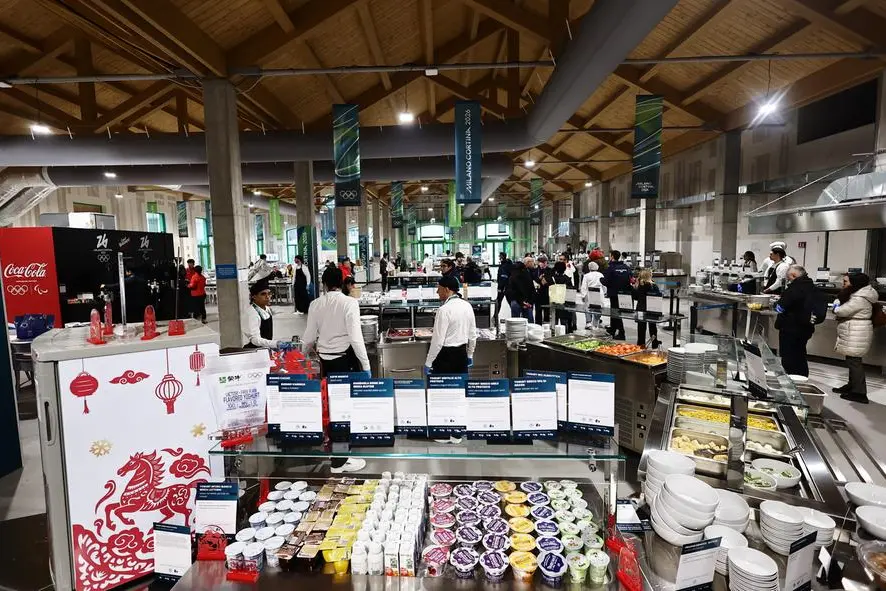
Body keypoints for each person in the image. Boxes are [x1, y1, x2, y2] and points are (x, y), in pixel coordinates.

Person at [302, 266, 370, 474]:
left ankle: (338, 454)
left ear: (323, 284)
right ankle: (340, 462)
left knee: (329, 408)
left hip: (325, 363)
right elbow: (356, 338)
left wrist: (303, 358)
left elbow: (309, 337)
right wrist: (366, 365)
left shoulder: (315, 304)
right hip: (344, 362)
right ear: (341, 283)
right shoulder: (350, 303)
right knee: (344, 409)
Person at [833, 273, 878, 403]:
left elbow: (841, 311)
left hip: (856, 331)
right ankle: (852, 386)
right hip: (855, 330)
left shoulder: (859, 298)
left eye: (846, 282)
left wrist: (836, 304)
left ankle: (859, 393)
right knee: (852, 359)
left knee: (854, 362)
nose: (844, 284)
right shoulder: (861, 294)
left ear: (855, 283)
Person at [424, 275, 477, 374]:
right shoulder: (467, 306)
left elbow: (438, 341)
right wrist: (470, 355)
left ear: (447, 289)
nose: (437, 292)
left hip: (445, 357)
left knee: (445, 384)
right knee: (460, 383)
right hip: (462, 355)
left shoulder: (443, 310)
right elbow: (472, 334)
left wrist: (428, 362)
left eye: (439, 289)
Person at [774, 265, 816, 377]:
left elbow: (781, 306)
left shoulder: (794, 289)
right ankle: (803, 377)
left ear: (793, 275)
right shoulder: (812, 287)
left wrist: (776, 305)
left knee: (789, 357)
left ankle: (791, 379)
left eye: (789, 278)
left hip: (790, 327)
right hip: (805, 327)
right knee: (800, 355)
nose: (788, 281)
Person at [601, 250, 632, 340]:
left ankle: (622, 333)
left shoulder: (611, 268)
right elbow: (630, 278)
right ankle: (613, 329)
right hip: (624, 293)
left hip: (614, 293)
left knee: (616, 313)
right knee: (616, 312)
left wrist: (601, 280)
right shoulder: (626, 267)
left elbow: (605, 281)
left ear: (612, 257)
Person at [243, 279, 282, 349]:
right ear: (254, 296)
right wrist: (275, 344)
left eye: (269, 293)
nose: (267, 297)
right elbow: (255, 340)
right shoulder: (252, 313)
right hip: (254, 350)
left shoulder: (267, 309)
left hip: (264, 348)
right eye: (263, 294)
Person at [633, 269, 662, 348]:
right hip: (651, 308)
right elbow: (658, 296)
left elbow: (635, 297)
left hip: (641, 308)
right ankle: (654, 343)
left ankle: (641, 344)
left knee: (641, 328)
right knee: (652, 327)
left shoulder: (639, 286)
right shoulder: (653, 285)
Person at [579, 261, 605, 329]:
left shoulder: (586, 276)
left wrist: (583, 296)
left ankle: (588, 323)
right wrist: (604, 292)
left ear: (589, 268)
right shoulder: (600, 275)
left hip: (589, 293)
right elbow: (604, 285)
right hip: (599, 294)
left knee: (588, 308)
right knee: (598, 308)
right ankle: (596, 322)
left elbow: (584, 286)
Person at [495, 252, 513, 321]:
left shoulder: (505, 265)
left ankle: (495, 316)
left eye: (500, 256)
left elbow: (503, 277)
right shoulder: (506, 264)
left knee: (499, 301)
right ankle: (516, 315)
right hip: (507, 286)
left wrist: (500, 287)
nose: (499, 257)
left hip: (504, 287)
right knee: (509, 301)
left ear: (502, 257)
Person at [535, 255, 553, 323]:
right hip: (538, 293)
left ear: (545, 262)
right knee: (538, 311)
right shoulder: (536, 270)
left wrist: (546, 282)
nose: (540, 264)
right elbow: (534, 280)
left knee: (546, 310)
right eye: (539, 262)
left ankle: (546, 323)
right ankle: (538, 324)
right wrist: (539, 279)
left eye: (542, 262)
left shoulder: (550, 270)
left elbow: (551, 281)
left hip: (546, 293)